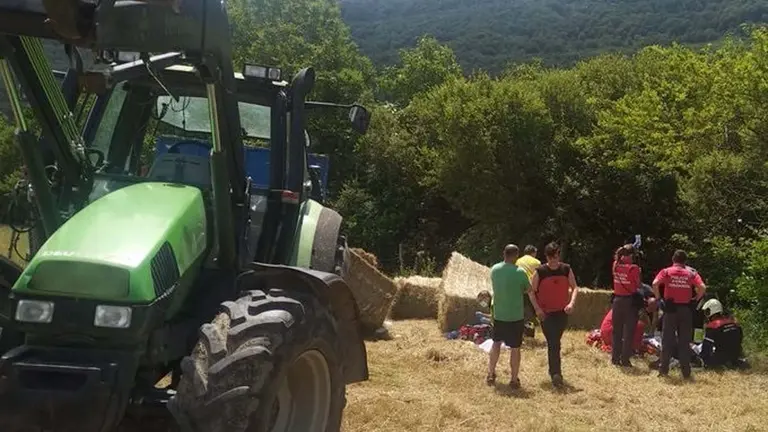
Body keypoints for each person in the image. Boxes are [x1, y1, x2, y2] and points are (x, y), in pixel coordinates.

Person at [528, 242, 579, 387]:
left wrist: (572, 303)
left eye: (555, 257)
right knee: (553, 342)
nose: (553, 261)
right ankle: (556, 373)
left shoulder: (566, 269)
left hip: (562, 311)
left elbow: (575, 287)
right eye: (550, 258)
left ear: (558, 255)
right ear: (546, 257)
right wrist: (537, 309)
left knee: (555, 341)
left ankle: (554, 371)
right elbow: (531, 291)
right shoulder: (540, 272)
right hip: (546, 313)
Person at [652, 250, 706, 380]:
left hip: (670, 310)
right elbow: (702, 287)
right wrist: (695, 299)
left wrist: (659, 299)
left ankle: (663, 370)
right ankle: (686, 372)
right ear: (685, 261)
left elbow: (655, 284)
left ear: (673, 259)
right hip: (685, 310)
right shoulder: (691, 273)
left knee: (667, 340)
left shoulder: (666, 271)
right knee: (684, 341)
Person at [486, 244, 531, 389]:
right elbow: (529, 289)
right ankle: (513, 379)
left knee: (496, 343)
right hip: (515, 316)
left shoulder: (494, 270)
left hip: (499, 314)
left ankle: (491, 373)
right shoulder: (520, 272)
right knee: (515, 348)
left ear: (504, 254)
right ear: (516, 256)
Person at [610, 244, 642, 367]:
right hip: (630, 301)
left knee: (616, 331)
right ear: (631, 256)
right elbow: (638, 285)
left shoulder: (615, 265)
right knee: (629, 331)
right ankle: (625, 359)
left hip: (617, 300)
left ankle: (615, 358)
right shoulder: (634, 268)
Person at [699, 298, 746, 369]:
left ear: (711, 311)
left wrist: (702, 358)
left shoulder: (712, 326)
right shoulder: (734, 323)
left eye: (707, 311)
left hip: (721, 357)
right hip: (736, 355)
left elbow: (706, 348)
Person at [516, 245, 541, 338]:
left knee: (519, 312)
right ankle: (529, 333)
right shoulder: (536, 262)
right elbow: (539, 276)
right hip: (530, 289)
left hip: (518, 290)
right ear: (533, 253)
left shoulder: (517, 261)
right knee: (530, 312)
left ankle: (520, 333)